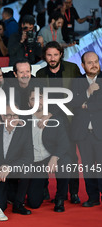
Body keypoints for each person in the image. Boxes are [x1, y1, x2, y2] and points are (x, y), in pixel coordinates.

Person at [36, 41, 81, 204]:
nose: (52, 58)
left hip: (69, 121)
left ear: (61, 54)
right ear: (44, 56)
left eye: (55, 54)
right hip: (48, 123)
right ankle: (44, 190)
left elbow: (76, 95)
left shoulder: (71, 69)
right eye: (49, 55)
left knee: (71, 158)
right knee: (45, 155)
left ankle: (73, 192)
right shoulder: (40, 74)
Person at [26, 87, 71, 212]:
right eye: (33, 99)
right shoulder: (23, 121)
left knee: (65, 161)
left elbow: (64, 143)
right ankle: (42, 188)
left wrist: (54, 157)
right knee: (33, 203)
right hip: (34, 162)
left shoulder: (55, 119)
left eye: (40, 98)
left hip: (49, 157)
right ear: (29, 103)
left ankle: (60, 198)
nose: (37, 102)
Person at [0, 105, 34, 215]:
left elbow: (29, 157)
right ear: (2, 116)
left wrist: (10, 168)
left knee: (28, 169)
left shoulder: (24, 132)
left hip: (14, 169)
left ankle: (18, 204)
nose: (12, 118)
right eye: (8, 115)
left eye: (15, 115)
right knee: (1, 206)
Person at [70, 51, 102, 207]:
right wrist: (88, 93)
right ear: (82, 65)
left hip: (100, 132)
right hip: (83, 133)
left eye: (96, 61)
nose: (94, 65)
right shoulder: (77, 81)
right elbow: (71, 103)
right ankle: (93, 198)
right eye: (90, 62)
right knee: (89, 168)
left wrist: (85, 105)